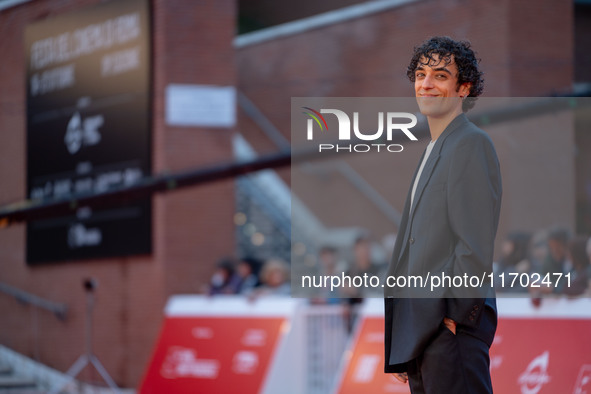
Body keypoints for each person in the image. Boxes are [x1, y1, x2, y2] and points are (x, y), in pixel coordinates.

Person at [383, 36, 502, 394]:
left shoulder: (470, 143)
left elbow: (474, 243)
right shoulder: (436, 148)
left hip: (448, 330)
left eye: (439, 76)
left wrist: (453, 318)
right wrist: (406, 334)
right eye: (420, 75)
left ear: (463, 88)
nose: (426, 84)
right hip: (422, 331)